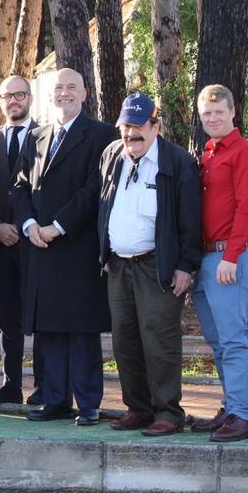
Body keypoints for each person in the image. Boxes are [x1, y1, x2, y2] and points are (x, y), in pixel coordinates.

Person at [12, 68, 117, 426]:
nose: (65, 93)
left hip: (77, 245)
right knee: (50, 329)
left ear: (85, 93)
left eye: (72, 87)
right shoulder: (37, 135)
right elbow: (20, 184)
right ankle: (54, 398)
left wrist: (57, 227)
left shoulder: (102, 135)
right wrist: (29, 225)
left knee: (81, 329)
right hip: (39, 247)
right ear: (50, 94)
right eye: (59, 88)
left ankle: (88, 402)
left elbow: (94, 189)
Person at [97, 93, 201, 437]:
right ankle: (138, 409)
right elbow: (104, 206)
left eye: (139, 127)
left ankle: (169, 412)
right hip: (119, 266)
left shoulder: (177, 162)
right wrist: (106, 253)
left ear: (155, 126)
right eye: (126, 127)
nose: (131, 135)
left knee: (159, 340)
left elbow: (190, 220)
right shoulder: (112, 155)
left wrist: (185, 266)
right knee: (124, 341)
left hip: (158, 266)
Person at [191, 84, 248, 442]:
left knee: (234, 340)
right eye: (207, 113)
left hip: (228, 257)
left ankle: (241, 414)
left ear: (233, 112)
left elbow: (247, 209)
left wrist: (231, 256)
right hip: (205, 257)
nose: (213, 118)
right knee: (218, 341)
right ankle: (231, 404)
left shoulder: (246, 154)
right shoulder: (206, 154)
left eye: (219, 112)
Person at [0, 75, 41, 405]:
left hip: (37, 244)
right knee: (7, 319)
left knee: (41, 317)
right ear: (0, 102)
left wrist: (26, 225)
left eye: (19, 95)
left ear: (30, 98)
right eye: (6, 96)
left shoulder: (47, 136)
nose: (13, 101)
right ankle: (10, 385)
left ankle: (46, 386)